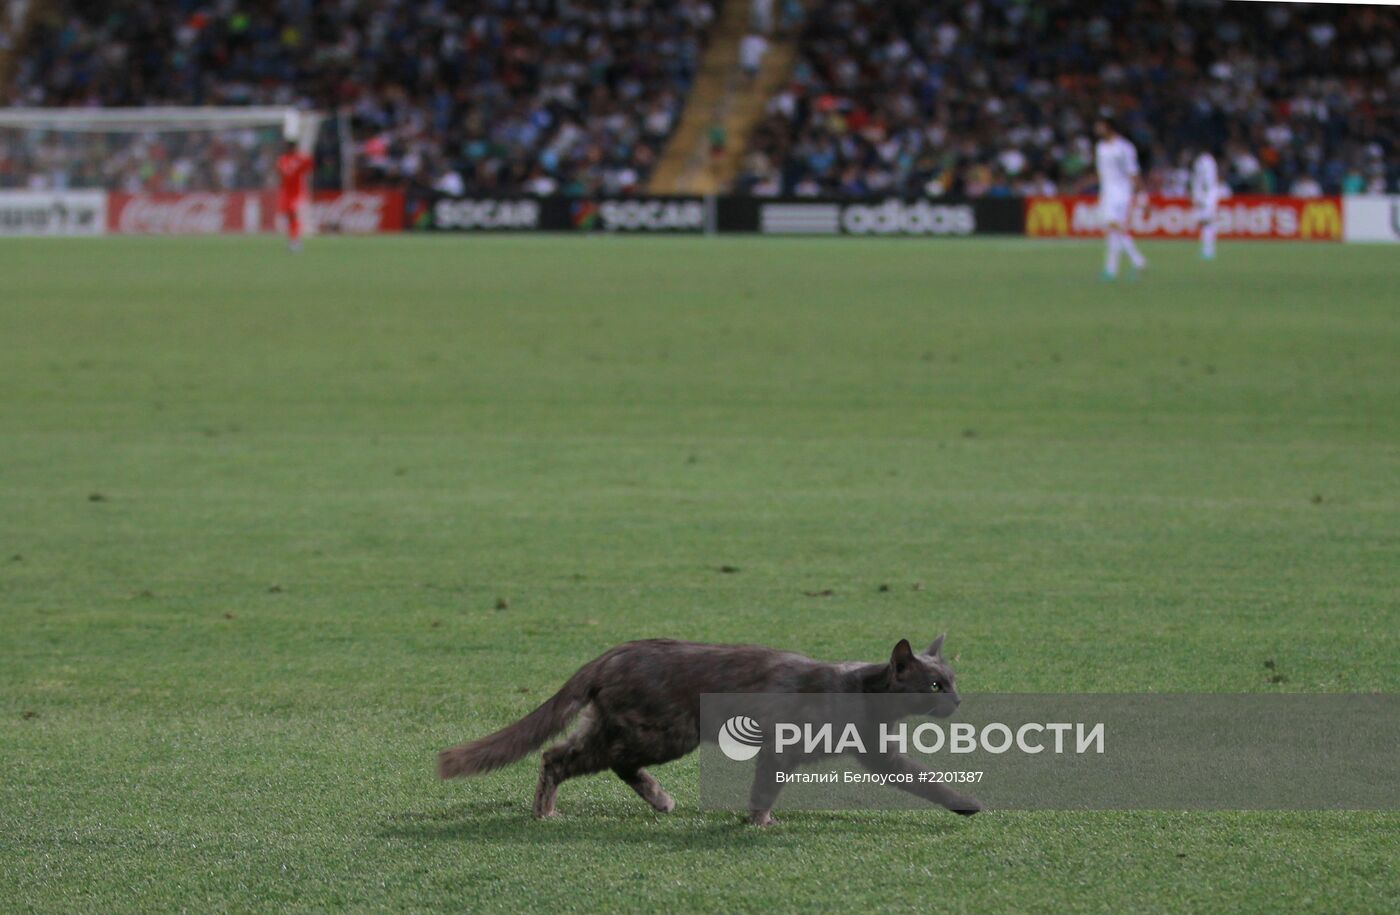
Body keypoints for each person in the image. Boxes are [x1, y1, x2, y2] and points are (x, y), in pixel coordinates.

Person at [1094, 117, 1147, 280]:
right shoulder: (1100, 148)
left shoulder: (1124, 147)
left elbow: (1133, 172)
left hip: (1121, 192)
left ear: (1109, 127)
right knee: (1112, 231)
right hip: (1107, 191)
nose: (1097, 129)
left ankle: (1137, 259)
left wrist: (1142, 196)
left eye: (1100, 126)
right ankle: (1111, 269)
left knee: (1113, 225)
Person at [275, 140, 313, 252]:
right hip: (287, 193)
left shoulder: (290, 160)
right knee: (290, 218)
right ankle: (294, 240)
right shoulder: (284, 160)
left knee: (294, 216)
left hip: (296, 193)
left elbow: (308, 167)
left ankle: (295, 241)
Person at [1190, 147, 1221, 260]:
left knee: (1206, 222)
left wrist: (1202, 197)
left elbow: (1206, 180)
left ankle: (1208, 250)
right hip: (1207, 194)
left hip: (1206, 195)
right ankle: (1207, 249)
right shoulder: (1208, 161)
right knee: (1206, 222)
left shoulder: (1204, 161)